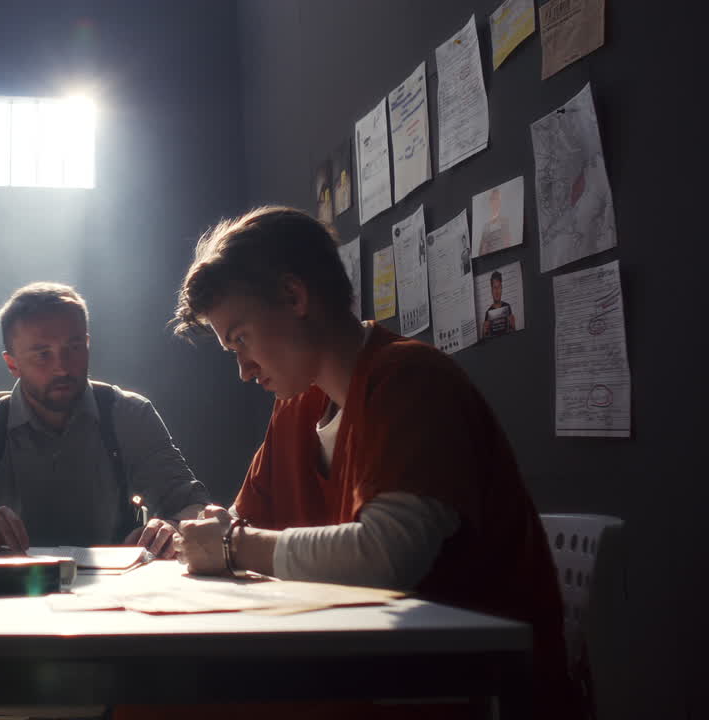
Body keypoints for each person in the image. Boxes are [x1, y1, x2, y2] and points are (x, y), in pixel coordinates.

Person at [164, 206, 577, 718]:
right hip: (359, 673)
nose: (244, 370)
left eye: (241, 339)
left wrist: (229, 545)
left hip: (460, 695)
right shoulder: (295, 410)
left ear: (294, 297)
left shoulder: (411, 380)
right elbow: (245, 527)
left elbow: (388, 558)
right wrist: (209, 536)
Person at [0, 282, 210, 557]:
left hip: (113, 591)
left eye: (74, 348)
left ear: (88, 344)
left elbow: (196, 507)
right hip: (5, 593)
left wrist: (173, 526)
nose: (63, 367)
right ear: (12, 364)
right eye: (42, 354)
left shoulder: (130, 414)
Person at [478, 186, 512, 256]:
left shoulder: (505, 221)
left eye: (498, 199)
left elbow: (508, 244)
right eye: (494, 199)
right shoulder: (485, 226)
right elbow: (481, 252)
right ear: (490, 201)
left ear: (500, 202)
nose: (496, 202)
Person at [482, 270, 517, 338]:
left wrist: (513, 325)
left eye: (499, 287)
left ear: (502, 288)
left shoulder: (507, 307)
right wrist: (484, 332)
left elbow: (513, 333)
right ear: (491, 290)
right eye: (494, 287)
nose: (497, 291)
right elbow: (486, 339)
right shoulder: (488, 312)